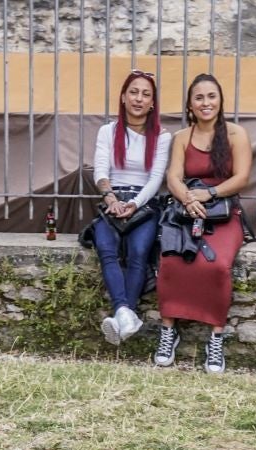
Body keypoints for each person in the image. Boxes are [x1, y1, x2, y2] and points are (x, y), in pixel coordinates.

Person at [155, 73, 254, 374]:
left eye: (211, 96)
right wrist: (188, 198)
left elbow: (241, 178)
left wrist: (209, 192)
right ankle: (168, 331)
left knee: (217, 265)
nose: (206, 102)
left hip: (223, 213)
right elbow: (172, 176)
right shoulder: (181, 138)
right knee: (171, 260)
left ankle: (216, 337)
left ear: (220, 100)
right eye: (199, 97)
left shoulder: (236, 134)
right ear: (190, 104)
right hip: (188, 211)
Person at [89, 70, 171, 347]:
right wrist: (111, 199)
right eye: (133, 92)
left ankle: (120, 315)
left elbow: (156, 179)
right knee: (106, 248)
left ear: (152, 103)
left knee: (138, 251)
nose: (139, 98)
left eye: (146, 94)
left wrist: (134, 204)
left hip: (145, 203)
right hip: (112, 199)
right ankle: (127, 314)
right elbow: (100, 170)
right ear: (123, 97)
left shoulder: (162, 136)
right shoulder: (107, 131)